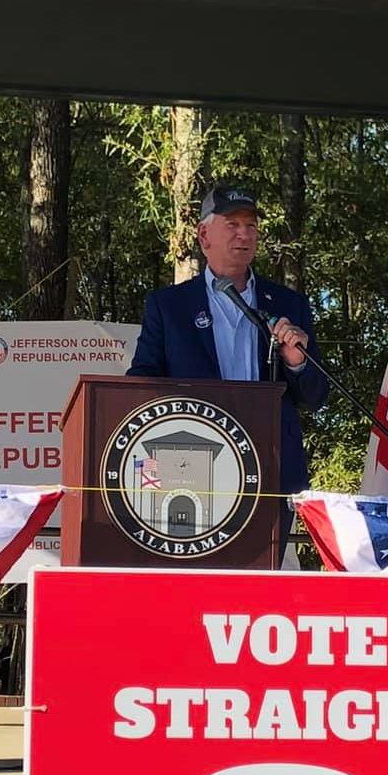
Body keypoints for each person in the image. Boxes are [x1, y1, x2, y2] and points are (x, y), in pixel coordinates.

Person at [127, 187, 330, 537]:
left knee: (260, 588)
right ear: (204, 235)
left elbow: (316, 398)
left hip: (271, 470)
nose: (245, 234)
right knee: (196, 587)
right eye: (233, 223)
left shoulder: (287, 304)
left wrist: (297, 362)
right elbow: (142, 383)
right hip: (190, 467)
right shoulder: (169, 306)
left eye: (251, 226)